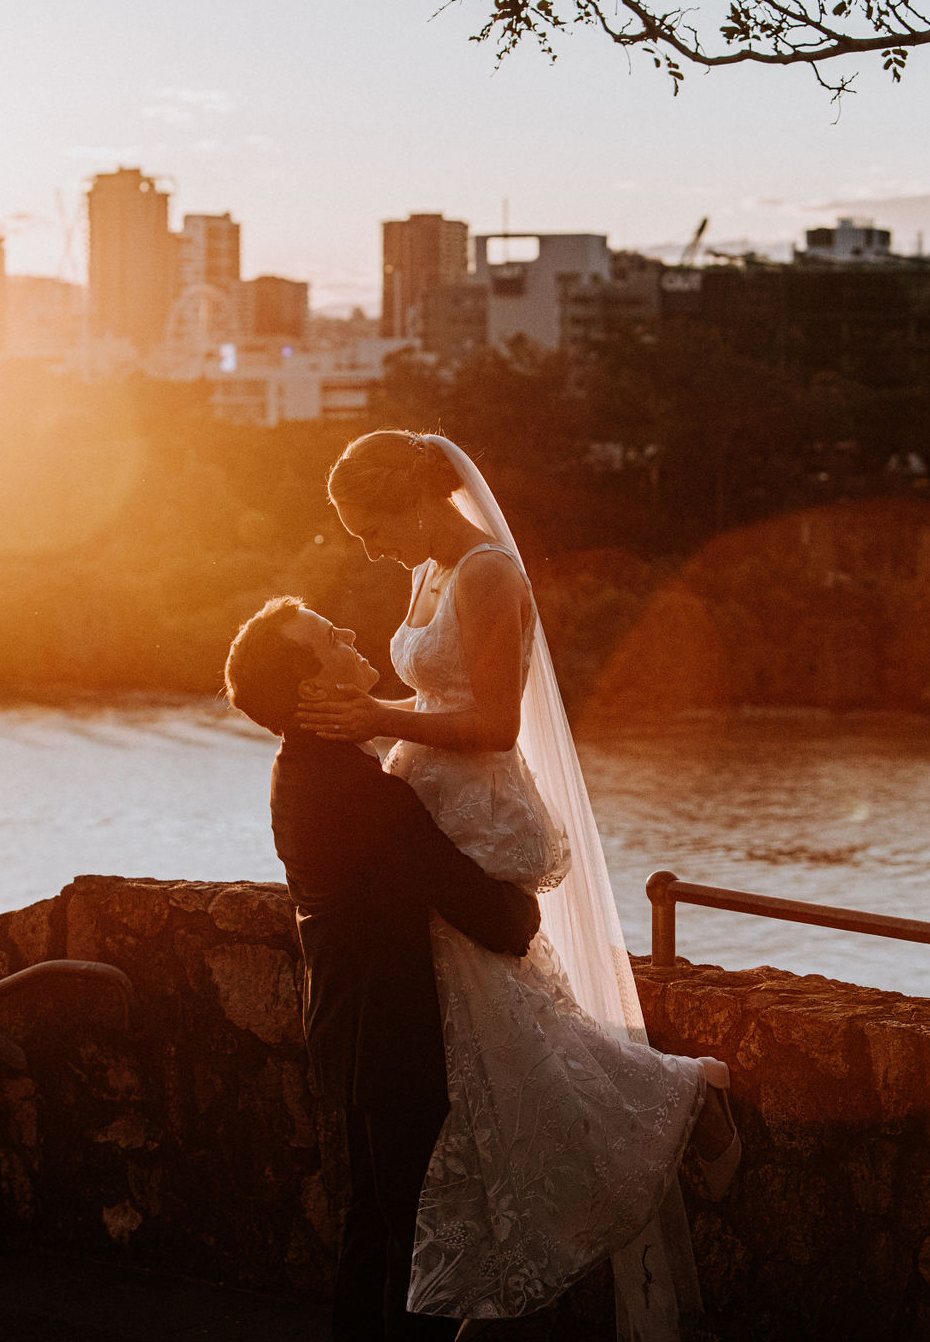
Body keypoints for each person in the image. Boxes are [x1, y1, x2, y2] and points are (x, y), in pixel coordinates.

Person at [298, 431, 741, 1342]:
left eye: (369, 524)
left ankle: (687, 1093)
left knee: (509, 1023)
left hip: (481, 813)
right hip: (433, 802)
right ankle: (486, 1276)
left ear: (412, 497)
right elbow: (434, 695)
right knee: (492, 1039)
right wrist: (391, 741)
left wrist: (377, 718)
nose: (367, 546)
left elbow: (497, 724)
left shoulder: (489, 574)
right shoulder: (426, 570)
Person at [224, 596, 541, 1342]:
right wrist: (531, 886)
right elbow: (494, 919)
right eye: (327, 637)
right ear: (312, 690)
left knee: (373, 1231)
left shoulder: (297, 770)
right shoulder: (367, 793)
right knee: (417, 1247)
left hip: (348, 1026)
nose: (348, 630)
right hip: (395, 1037)